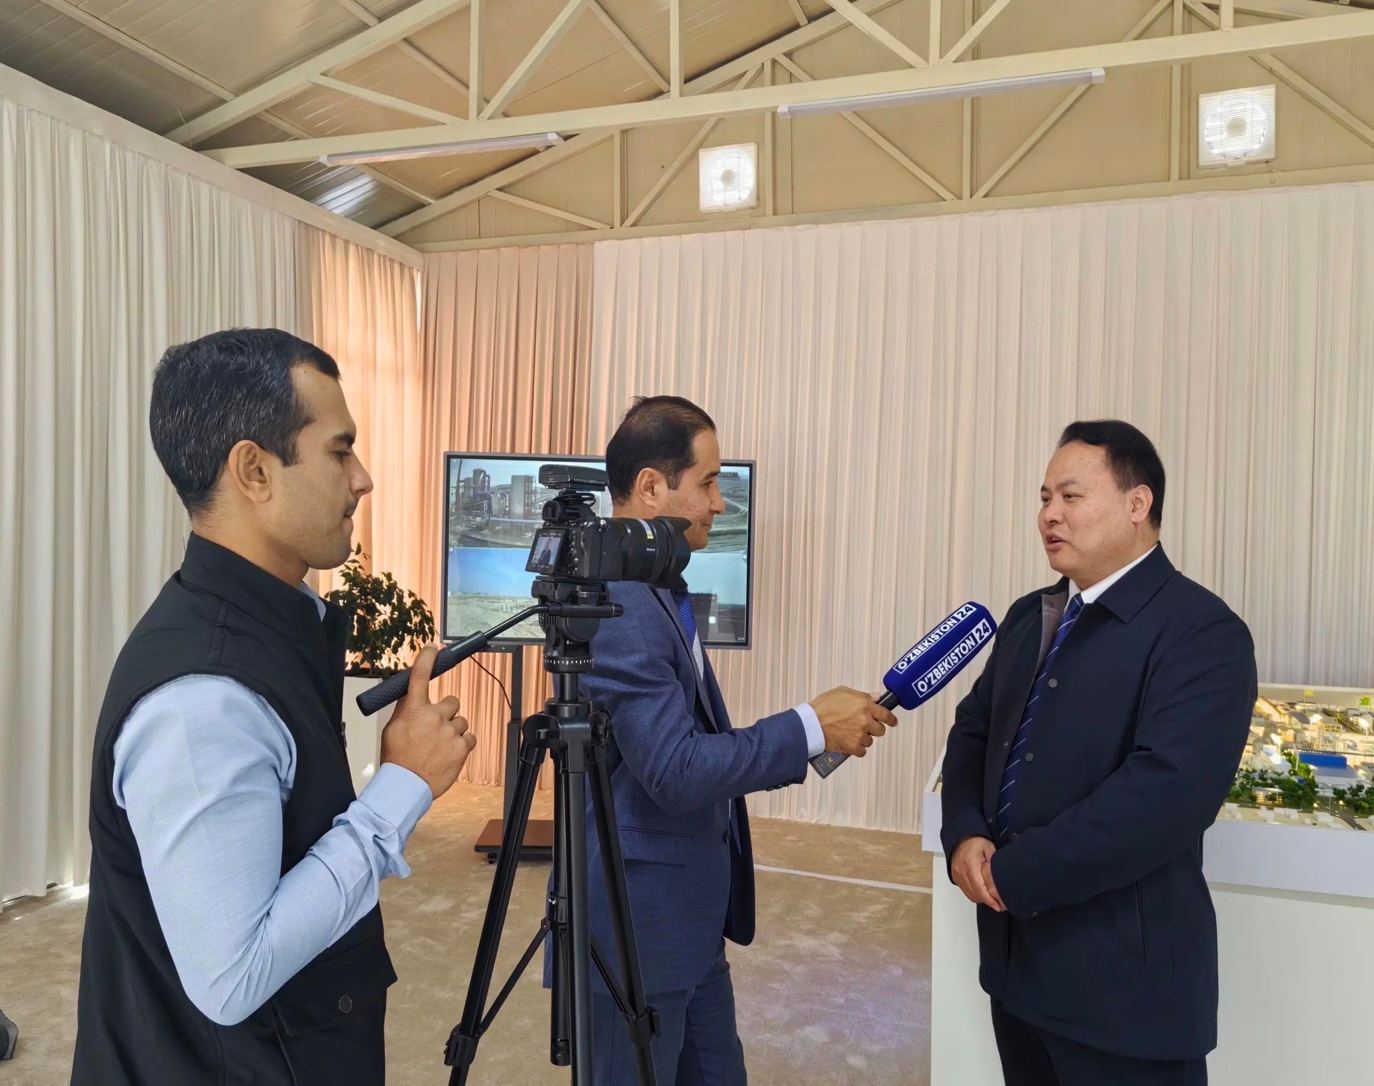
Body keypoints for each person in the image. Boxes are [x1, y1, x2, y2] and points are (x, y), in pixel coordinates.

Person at [71, 329, 476, 1086]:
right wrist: (401, 787)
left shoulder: (276, 624)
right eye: (339, 451)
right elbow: (234, 976)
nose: (363, 479)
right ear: (254, 470)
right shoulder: (202, 702)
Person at [575, 396, 898, 1086]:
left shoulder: (654, 588)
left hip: (688, 923)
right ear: (652, 487)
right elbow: (675, 769)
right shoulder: (623, 604)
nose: (721, 504)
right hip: (640, 933)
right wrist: (810, 726)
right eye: (709, 482)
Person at [939, 420, 1257, 1086]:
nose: (1049, 514)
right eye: (1044, 497)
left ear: (1138, 504)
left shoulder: (1202, 631)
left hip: (1125, 996)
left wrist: (1011, 873)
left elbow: (1163, 799)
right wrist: (965, 831)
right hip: (1016, 971)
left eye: (1071, 496)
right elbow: (973, 732)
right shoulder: (1029, 615)